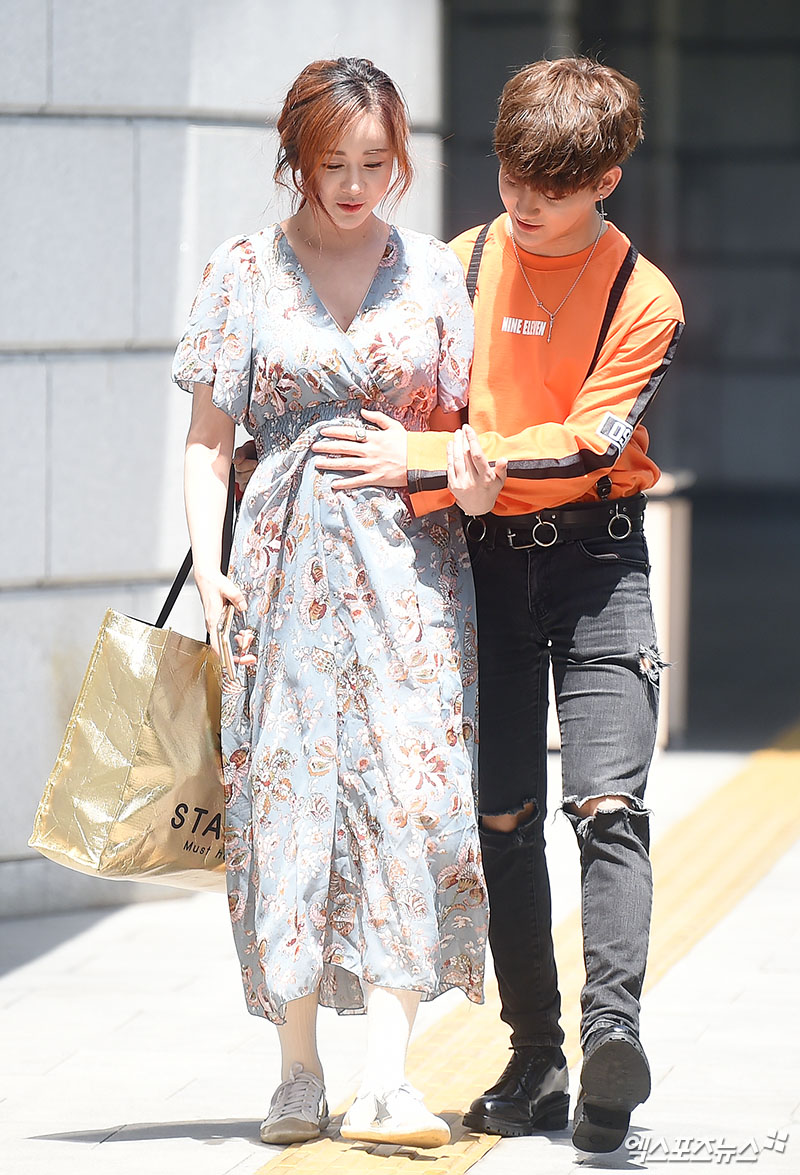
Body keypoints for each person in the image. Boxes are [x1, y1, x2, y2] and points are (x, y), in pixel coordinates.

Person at [308, 57, 684, 1154]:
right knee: (503, 817)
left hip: (598, 565)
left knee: (606, 803)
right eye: (511, 174)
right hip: (480, 561)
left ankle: (611, 1039)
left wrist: (435, 456)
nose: (521, 201)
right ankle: (535, 1059)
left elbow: (584, 445)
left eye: (551, 187)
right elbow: (406, 395)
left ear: (605, 177)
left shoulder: (641, 297)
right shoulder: (456, 262)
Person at [172, 57, 487, 1150]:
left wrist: (454, 466)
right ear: (294, 158)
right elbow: (209, 446)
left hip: (411, 575)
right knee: (291, 812)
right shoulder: (242, 269)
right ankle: (296, 1068)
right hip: (279, 577)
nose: (354, 185)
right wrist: (206, 566)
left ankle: (389, 1076)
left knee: (406, 802)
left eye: (373, 163)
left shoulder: (436, 274)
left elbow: (465, 429)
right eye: (331, 163)